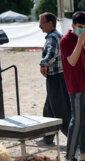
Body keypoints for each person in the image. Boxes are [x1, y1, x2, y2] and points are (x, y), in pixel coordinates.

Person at [60, 11, 85, 161]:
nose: (82, 29)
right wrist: (80, 42)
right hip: (75, 87)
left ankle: (84, 151)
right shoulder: (65, 40)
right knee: (76, 120)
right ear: (73, 26)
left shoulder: (84, 39)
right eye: (79, 27)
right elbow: (72, 61)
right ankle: (69, 157)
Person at [37, 12, 71, 147]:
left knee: (60, 109)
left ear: (50, 23)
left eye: (42, 22)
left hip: (55, 79)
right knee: (49, 109)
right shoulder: (58, 35)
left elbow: (52, 53)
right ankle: (48, 138)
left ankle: (76, 138)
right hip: (59, 77)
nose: (40, 26)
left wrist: (43, 64)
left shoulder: (51, 37)